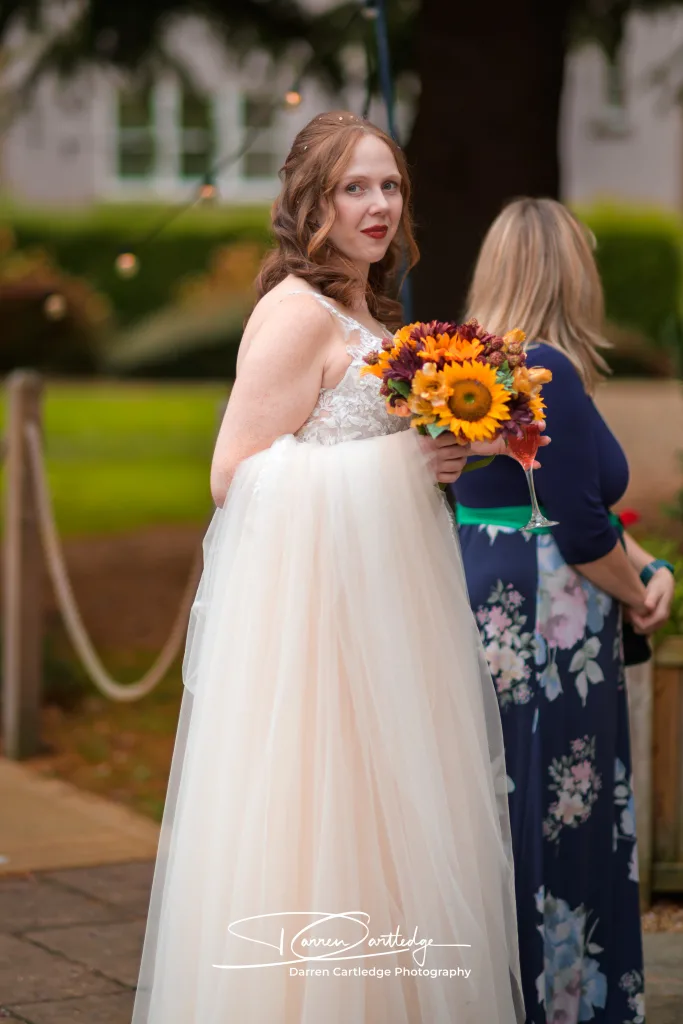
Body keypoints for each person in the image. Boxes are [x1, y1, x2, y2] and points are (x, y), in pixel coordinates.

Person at [130, 112, 526, 1024]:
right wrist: (396, 465)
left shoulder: (370, 317)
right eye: (355, 187)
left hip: (387, 625)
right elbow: (235, 476)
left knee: (393, 842)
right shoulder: (292, 315)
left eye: (389, 186)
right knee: (322, 841)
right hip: (319, 646)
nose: (379, 204)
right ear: (312, 201)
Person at [451, 197, 676, 1024]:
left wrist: (646, 558)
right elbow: (581, 533)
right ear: (569, 271)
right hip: (552, 618)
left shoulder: (466, 373)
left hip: (484, 594)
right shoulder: (552, 368)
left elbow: (548, 498)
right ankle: (561, 1001)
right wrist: (640, 592)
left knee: (503, 800)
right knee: (560, 807)